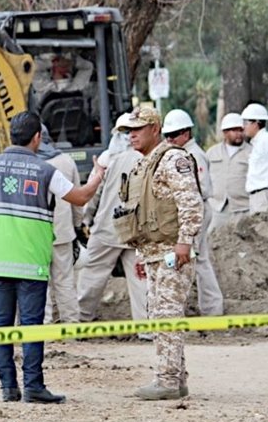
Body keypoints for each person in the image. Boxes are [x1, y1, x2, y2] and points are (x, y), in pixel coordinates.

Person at [0, 112, 105, 404]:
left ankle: (7, 388)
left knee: (1, 325)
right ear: (37, 137)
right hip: (31, 262)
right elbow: (79, 198)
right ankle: (33, 386)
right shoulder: (44, 170)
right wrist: (97, 177)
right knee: (31, 324)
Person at [115, 106, 203, 401]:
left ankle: (167, 380)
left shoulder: (172, 158)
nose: (132, 135)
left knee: (167, 314)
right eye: (129, 131)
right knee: (161, 314)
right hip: (154, 253)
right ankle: (176, 378)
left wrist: (185, 243)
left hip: (172, 251)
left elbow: (190, 203)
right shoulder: (145, 164)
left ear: (155, 129)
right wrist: (142, 254)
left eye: (137, 129)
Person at [76, 113, 147, 324]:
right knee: (140, 278)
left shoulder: (107, 160)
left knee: (92, 276)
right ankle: (147, 327)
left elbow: (92, 195)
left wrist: (85, 220)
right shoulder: (147, 158)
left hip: (107, 230)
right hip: (137, 231)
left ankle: (81, 319)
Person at [162, 109, 223, 317]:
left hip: (196, 210)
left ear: (186, 133)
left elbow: (202, 189)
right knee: (199, 260)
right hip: (194, 210)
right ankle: (210, 308)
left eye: (174, 135)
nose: (170, 139)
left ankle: (209, 308)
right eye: (167, 136)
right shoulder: (183, 154)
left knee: (193, 260)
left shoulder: (193, 155)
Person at [37, 124, 82, 324]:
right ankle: (71, 324)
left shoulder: (28, 163)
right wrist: (77, 226)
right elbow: (77, 200)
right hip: (63, 233)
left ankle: (44, 325)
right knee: (65, 282)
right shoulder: (66, 161)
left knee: (40, 283)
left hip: (35, 235)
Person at [204, 113, 252, 232]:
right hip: (217, 209)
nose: (238, 134)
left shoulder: (251, 152)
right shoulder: (212, 153)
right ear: (225, 132)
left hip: (243, 208)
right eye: (234, 130)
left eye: (240, 130)